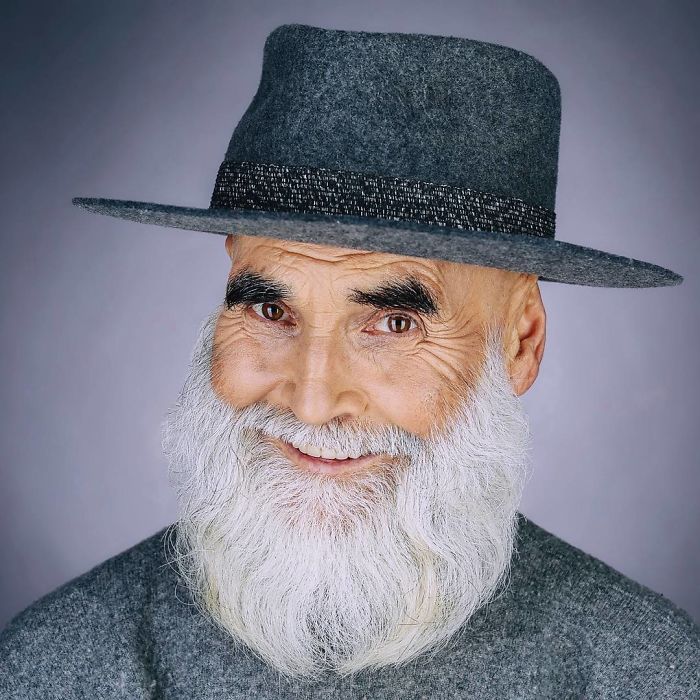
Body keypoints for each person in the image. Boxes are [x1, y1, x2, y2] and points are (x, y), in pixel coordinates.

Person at [1, 22, 698, 699]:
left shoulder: (647, 673)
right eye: (269, 310)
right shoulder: (55, 667)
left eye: (393, 323)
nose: (311, 404)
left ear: (520, 342)